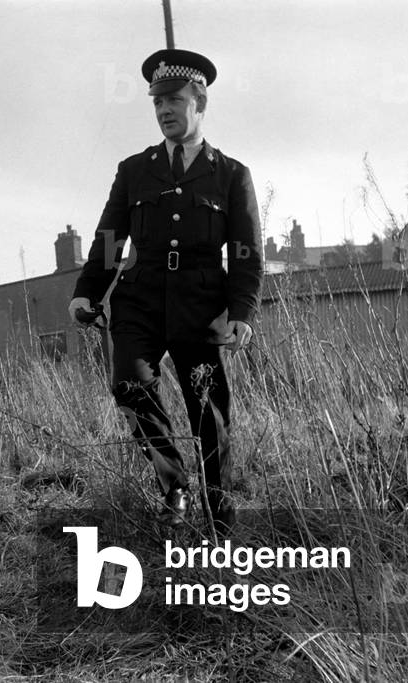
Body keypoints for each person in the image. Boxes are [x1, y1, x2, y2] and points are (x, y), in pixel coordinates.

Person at [68, 48, 262, 530]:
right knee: (130, 385)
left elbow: (245, 251)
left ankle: (219, 513)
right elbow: (111, 239)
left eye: (174, 100)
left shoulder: (231, 174)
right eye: (157, 103)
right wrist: (87, 291)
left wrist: (242, 311)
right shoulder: (135, 170)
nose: (164, 111)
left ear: (201, 103)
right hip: (141, 298)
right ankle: (174, 485)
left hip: (201, 303)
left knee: (209, 412)